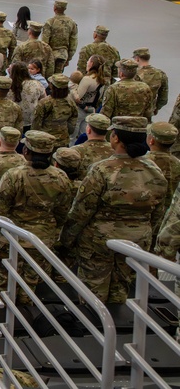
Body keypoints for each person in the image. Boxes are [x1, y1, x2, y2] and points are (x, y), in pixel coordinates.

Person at [60, 116, 168, 303]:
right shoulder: (155, 171)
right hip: (136, 241)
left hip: (100, 241)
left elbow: (81, 211)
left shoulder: (102, 170)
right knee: (121, 289)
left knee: (92, 293)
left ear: (116, 138)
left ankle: (95, 328)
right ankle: (115, 326)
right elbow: (158, 213)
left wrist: (66, 240)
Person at [0, 130, 73, 302]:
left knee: (4, 282)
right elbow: (62, 211)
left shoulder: (13, 176)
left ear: (26, 151)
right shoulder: (61, 177)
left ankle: (1, 319)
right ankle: (24, 316)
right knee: (31, 283)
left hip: (11, 237)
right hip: (41, 240)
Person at [70, 55, 108, 135]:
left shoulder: (87, 79)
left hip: (80, 110)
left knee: (73, 136)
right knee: (85, 135)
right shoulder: (102, 81)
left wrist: (72, 87)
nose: (87, 62)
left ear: (91, 63)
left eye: (88, 61)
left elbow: (78, 97)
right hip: (91, 110)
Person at [41, 0, 78, 74]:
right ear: (65, 9)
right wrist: (69, 58)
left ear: (54, 8)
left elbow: (44, 43)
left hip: (50, 55)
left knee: (48, 78)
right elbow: (73, 42)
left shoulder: (50, 22)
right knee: (58, 79)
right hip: (63, 55)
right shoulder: (71, 23)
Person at [9, 61, 46, 132]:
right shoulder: (37, 84)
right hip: (30, 119)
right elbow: (44, 100)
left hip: (12, 119)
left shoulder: (9, 85)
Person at [134, 48, 170, 117]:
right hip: (149, 112)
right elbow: (163, 98)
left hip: (131, 112)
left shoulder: (133, 74)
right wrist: (156, 108)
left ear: (137, 59)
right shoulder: (160, 74)